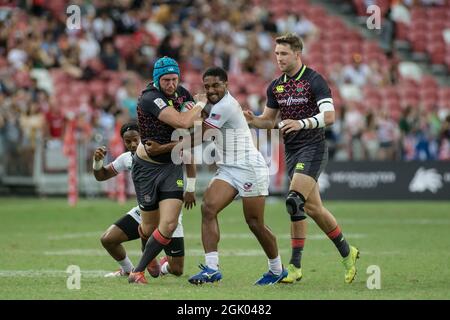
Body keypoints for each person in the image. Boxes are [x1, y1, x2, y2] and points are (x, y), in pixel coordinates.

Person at [244, 33, 359, 284]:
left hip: (313, 147)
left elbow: (329, 117)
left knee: (294, 201)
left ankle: (295, 266)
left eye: (283, 54)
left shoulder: (314, 80)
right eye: (276, 54)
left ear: (297, 54)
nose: (279, 58)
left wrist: (302, 123)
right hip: (292, 150)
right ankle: (347, 252)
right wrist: (253, 120)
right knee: (313, 208)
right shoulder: (276, 86)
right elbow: (269, 120)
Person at [187, 67, 287, 286]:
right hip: (228, 168)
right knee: (208, 208)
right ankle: (212, 268)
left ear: (226, 85)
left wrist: (171, 145)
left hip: (249, 167)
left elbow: (203, 133)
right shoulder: (217, 105)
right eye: (207, 86)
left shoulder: (226, 106)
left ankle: (277, 269)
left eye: (215, 85)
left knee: (255, 223)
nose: (211, 90)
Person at [128, 56, 203, 284]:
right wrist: (199, 105)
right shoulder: (150, 98)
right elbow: (182, 122)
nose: (171, 85)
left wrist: (192, 126)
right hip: (147, 169)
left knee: (169, 223)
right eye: (166, 80)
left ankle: (137, 271)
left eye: (174, 79)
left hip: (171, 166)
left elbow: (198, 129)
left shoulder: (181, 94)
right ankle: (147, 252)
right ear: (156, 80)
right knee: (148, 226)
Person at [92, 122, 185, 278]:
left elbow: (187, 157)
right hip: (146, 211)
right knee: (108, 239)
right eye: (128, 141)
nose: (133, 144)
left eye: (136, 139)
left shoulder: (161, 154)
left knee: (177, 269)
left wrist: (190, 188)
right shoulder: (126, 158)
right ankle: (128, 269)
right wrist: (97, 162)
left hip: (169, 214)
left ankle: (163, 266)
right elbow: (102, 176)